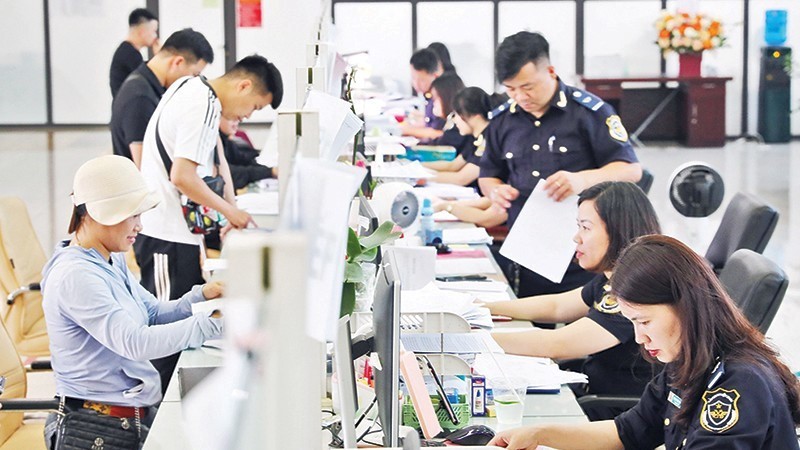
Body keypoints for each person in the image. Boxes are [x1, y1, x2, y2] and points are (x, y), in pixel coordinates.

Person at [489, 234, 800, 450]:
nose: (640, 337)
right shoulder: (688, 358)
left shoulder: (738, 383)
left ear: (685, 306)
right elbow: (629, 431)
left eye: (645, 321)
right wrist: (540, 433)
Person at [41, 155, 224, 449]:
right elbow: (135, 342)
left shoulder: (109, 257)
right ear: (99, 214)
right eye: (133, 215)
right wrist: (214, 325)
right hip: (96, 431)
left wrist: (200, 296)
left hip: (129, 418)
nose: (140, 226)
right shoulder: (75, 276)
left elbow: (151, 312)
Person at [135, 55, 283, 391]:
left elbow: (215, 162)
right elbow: (182, 176)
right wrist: (230, 212)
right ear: (243, 85)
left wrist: (229, 207)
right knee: (166, 340)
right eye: (255, 107)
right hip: (165, 236)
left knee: (181, 334)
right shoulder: (202, 103)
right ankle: (155, 414)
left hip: (178, 234)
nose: (248, 116)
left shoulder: (195, 89)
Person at [479, 31, 642, 297]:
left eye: (528, 87)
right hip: (525, 251)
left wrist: (582, 180)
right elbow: (488, 175)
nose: (520, 96)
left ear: (551, 71)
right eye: (511, 89)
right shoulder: (501, 120)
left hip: (583, 254)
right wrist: (495, 191)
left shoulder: (590, 113)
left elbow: (631, 170)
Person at [487, 182, 660, 419]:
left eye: (585, 228)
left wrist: (472, 340)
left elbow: (556, 344)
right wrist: (482, 308)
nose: (576, 238)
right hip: (591, 396)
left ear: (617, 230)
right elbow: (557, 307)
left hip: (614, 413)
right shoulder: (614, 276)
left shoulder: (636, 289)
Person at [111, 28, 214, 167]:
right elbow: (145, 167)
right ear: (177, 62)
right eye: (194, 74)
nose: (192, 80)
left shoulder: (148, 83)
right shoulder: (140, 98)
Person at [424, 86, 491, 188]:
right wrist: (414, 166)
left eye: (457, 115)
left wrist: (418, 178)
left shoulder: (489, 140)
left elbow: (461, 178)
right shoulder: (474, 138)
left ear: (474, 116)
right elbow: (453, 165)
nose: (455, 120)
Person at [110, 8, 160, 98]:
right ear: (142, 32)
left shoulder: (126, 50)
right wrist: (160, 57)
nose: (155, 36)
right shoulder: (130, 54)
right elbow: (151, 81)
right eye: (154, 31)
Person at [218, 117, 275, 190]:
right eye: (232, 119)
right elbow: (231, 173)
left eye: (237, 120)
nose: (236, 123)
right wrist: (270, 172)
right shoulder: (214, 143)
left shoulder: (228, 142)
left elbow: (247, 161)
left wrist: (271, 171)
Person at [401, 48, 445, 141]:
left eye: (421, 80)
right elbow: (428, 123)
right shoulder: (428, 96)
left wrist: (407, 130)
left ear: (435, 76)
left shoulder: (442, 97)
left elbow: (440, 133)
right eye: (413, 78)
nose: (416, 84)